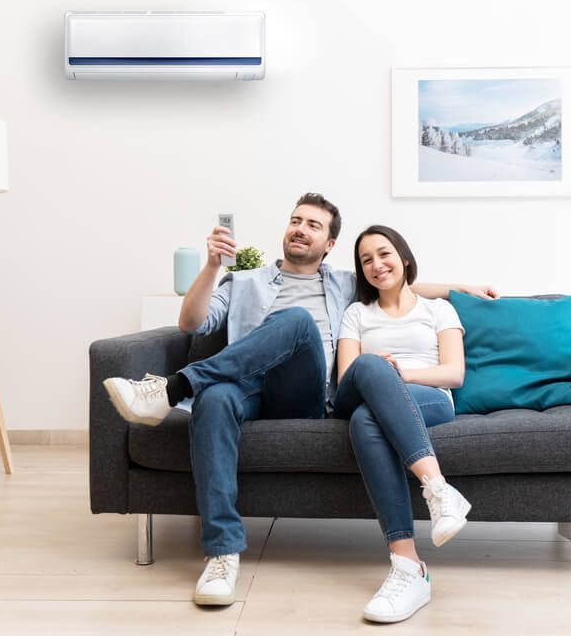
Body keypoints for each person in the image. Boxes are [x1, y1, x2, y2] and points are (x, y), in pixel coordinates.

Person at [102, 193, 496, 607]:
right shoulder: (244, 281)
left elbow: (397, 284)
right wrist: (213, 266)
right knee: (214, 399)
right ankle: (222, 553)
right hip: (243, 387)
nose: (300, 229)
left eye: (313, 225)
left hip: (302, 392)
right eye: (296, 220)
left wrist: (460, 289)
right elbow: (190, 323)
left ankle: (173, 388)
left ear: (329, 244)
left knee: (296, 320)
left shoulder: (343, 284)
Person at [334, 225, 470, 624]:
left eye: (384, 254)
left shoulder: (438, 310)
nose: (376, 264)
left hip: (428, 398)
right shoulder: (356, 314)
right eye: (366, 260)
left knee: (366, 420)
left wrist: (399, 376)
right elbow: (346, 376)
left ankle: (408, 566)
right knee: (368, 367)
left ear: (404, 258)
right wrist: (379, 372)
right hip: (360, 391)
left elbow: (454, 373)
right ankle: (438, 488)